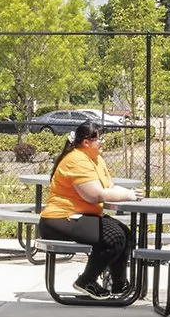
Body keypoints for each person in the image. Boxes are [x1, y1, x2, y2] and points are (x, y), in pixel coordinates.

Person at [38, 121, 136, 301]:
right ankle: (86, 280)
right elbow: (94, 195)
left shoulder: (96, 158)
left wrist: (128, 193)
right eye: (100, 138)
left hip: (82, 215)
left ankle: (119, 284)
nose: (104, 142)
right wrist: (127, 196)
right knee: (114, 237)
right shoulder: (76, 160)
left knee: (124, 232)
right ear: (86, 142)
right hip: (59, 219)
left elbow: (109, 186)